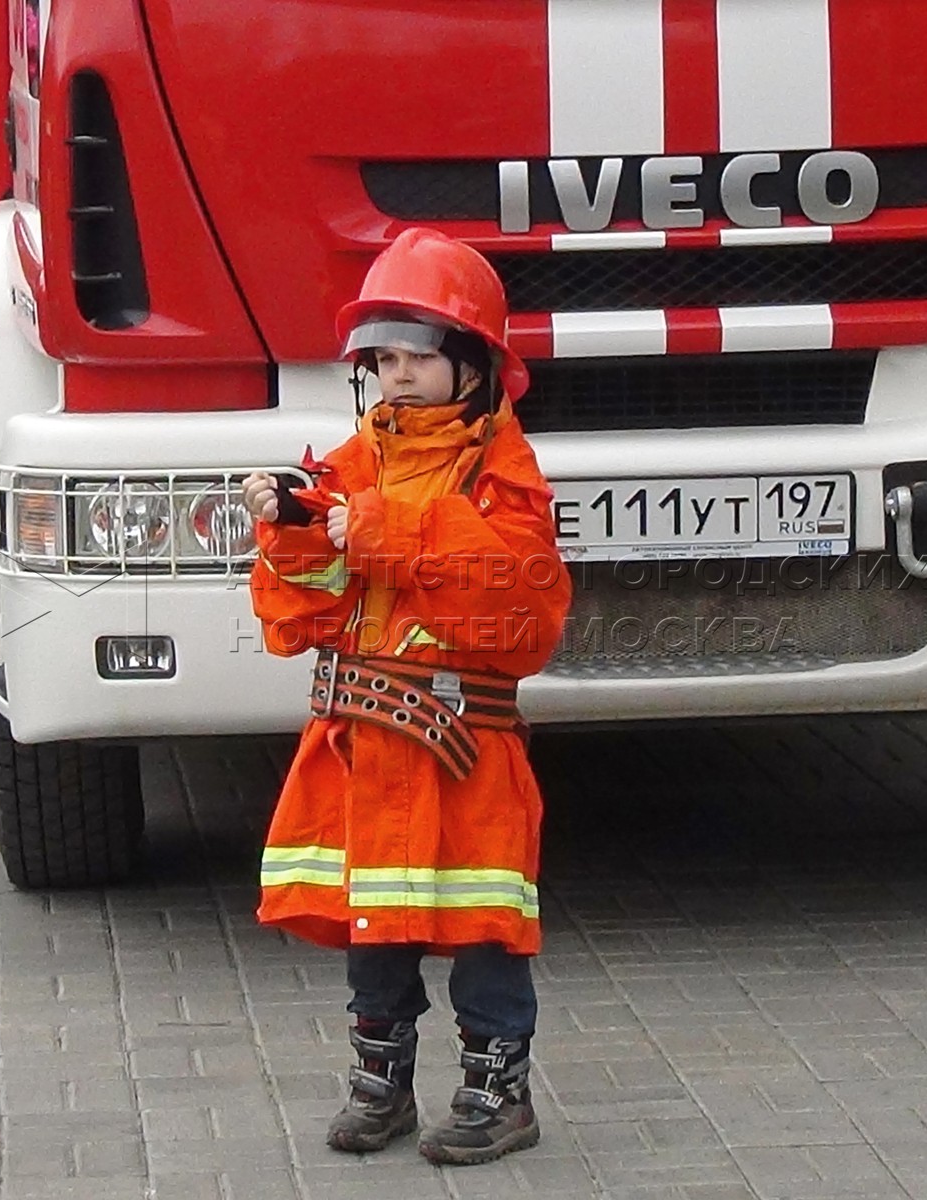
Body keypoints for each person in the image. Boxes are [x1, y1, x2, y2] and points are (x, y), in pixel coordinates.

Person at [241, 228, 571, 1166]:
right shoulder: (354, 463)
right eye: (383, 358)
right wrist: (297, 530)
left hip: (465, 745)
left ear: (474, 364)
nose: (397, 375)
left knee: (484, 925)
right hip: (366, 741)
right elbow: (300, 615)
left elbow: (521, 605)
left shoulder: (504, 472)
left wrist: (382, 531)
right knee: (373, 920)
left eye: (418, 355)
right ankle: (379, 1085)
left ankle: (497, 1092)